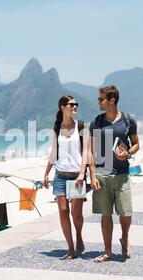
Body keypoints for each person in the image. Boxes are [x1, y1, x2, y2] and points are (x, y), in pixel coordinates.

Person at [89, 85, 139, 263]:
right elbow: (90, 150)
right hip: (102, 174)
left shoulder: (127, 120)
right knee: (106, 214)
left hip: (122, 174)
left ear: (111, 100)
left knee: (126, 212)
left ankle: (124, 236)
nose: (98, 102)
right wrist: (92, 175)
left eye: (100, 99)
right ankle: (108, 251)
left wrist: (128, 153)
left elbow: (136, 144)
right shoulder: (96, 122)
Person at [43, 95, 88, 260]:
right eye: (72, 104)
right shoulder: (56, 128)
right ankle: (70, 248)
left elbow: (86, 153)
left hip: (77, 176)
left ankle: (79, 235)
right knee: (63, 211)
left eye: (76, 104)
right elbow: (53, 152)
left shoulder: (82, 126)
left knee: (76, 214)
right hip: (60, 175)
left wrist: (83, 174)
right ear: (63, 107)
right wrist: (46, 173)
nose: (75, 106)